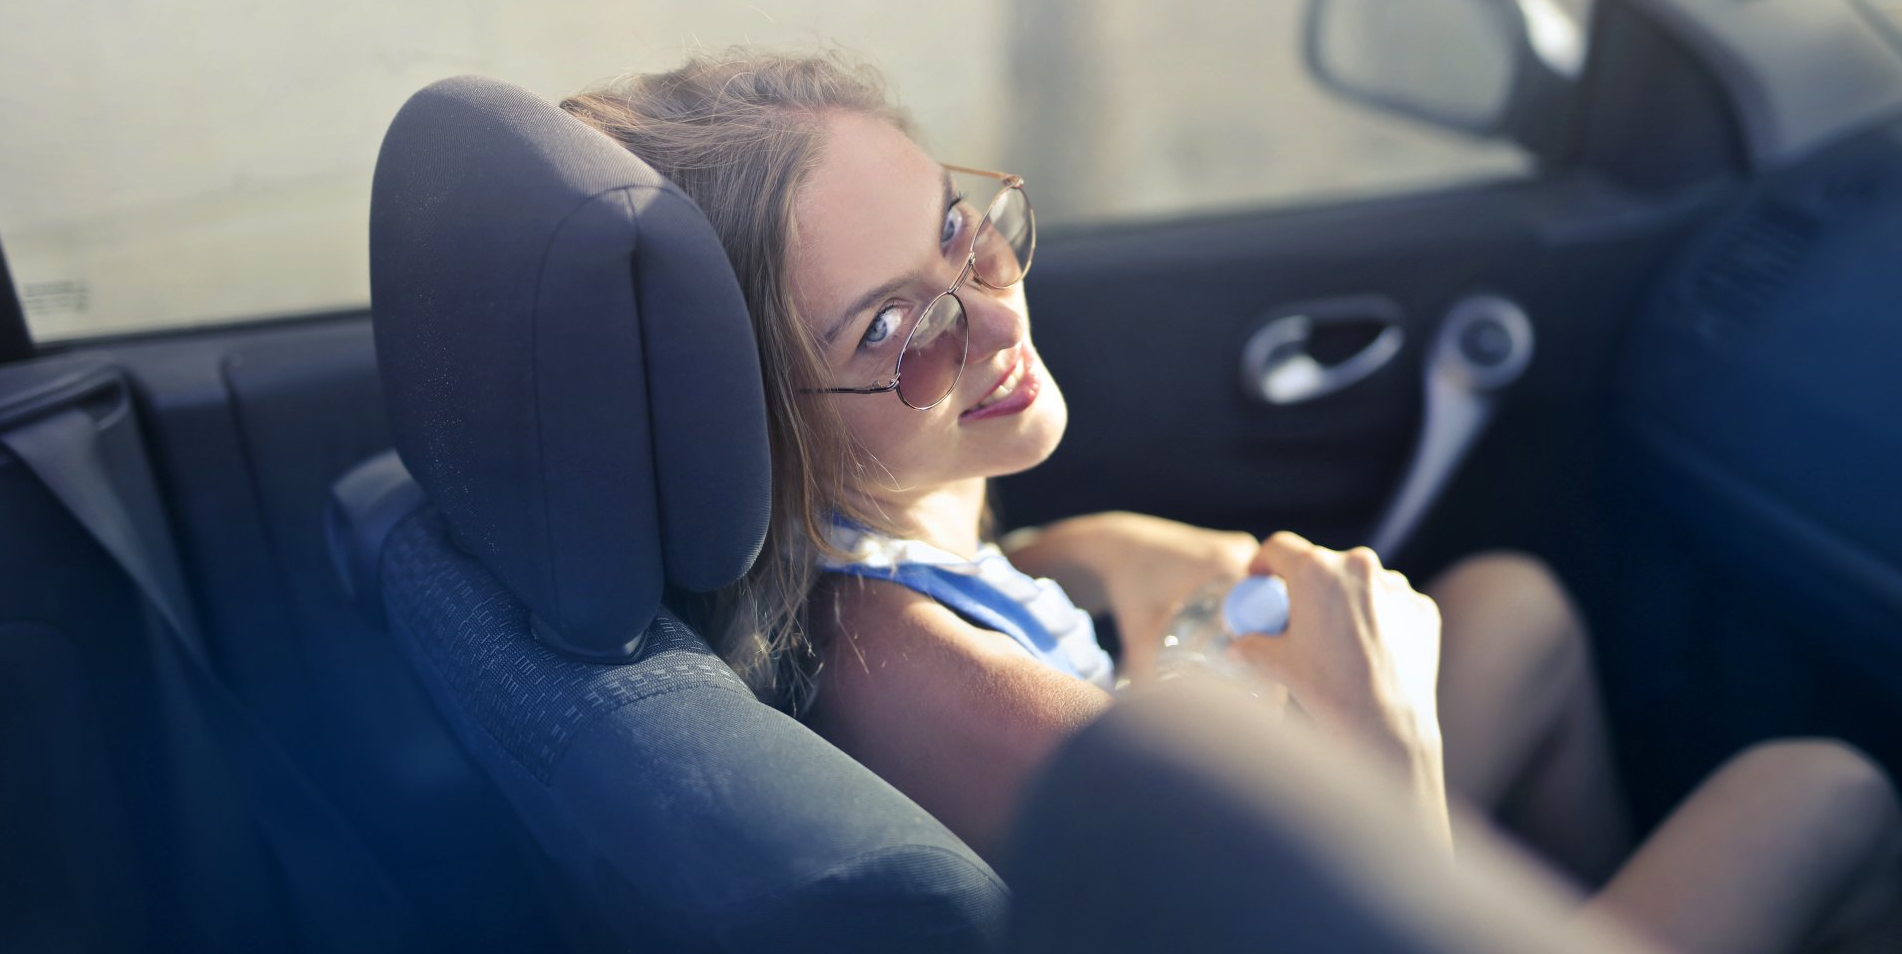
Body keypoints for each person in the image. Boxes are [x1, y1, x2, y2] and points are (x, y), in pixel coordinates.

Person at [562, 48, 1902, 953]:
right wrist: (1382, 744)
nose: (990, 313)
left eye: (964, 230)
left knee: (1517, 607)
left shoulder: (861, 545)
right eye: (897, 328)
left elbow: (998, 578)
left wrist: (1113, 551)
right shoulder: (909, 675)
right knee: (1822, 787)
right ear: (755, 419)